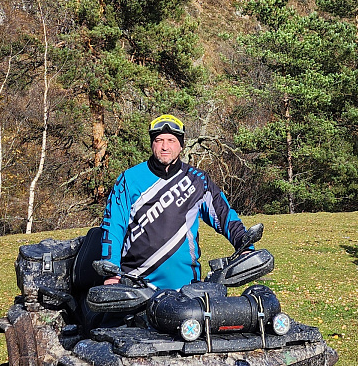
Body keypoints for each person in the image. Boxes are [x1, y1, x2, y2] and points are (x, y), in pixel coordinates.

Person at [98, 114, 257, 291]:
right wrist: (111, 273)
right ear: (152, 144)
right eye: (159, 140)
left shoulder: (198, 180)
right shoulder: (129, 179)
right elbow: (113, 228)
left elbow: (224, 215)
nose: (165, 146)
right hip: (136, 285)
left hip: (186, 287)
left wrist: (245, 247)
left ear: (181, 145)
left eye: (171, 140)